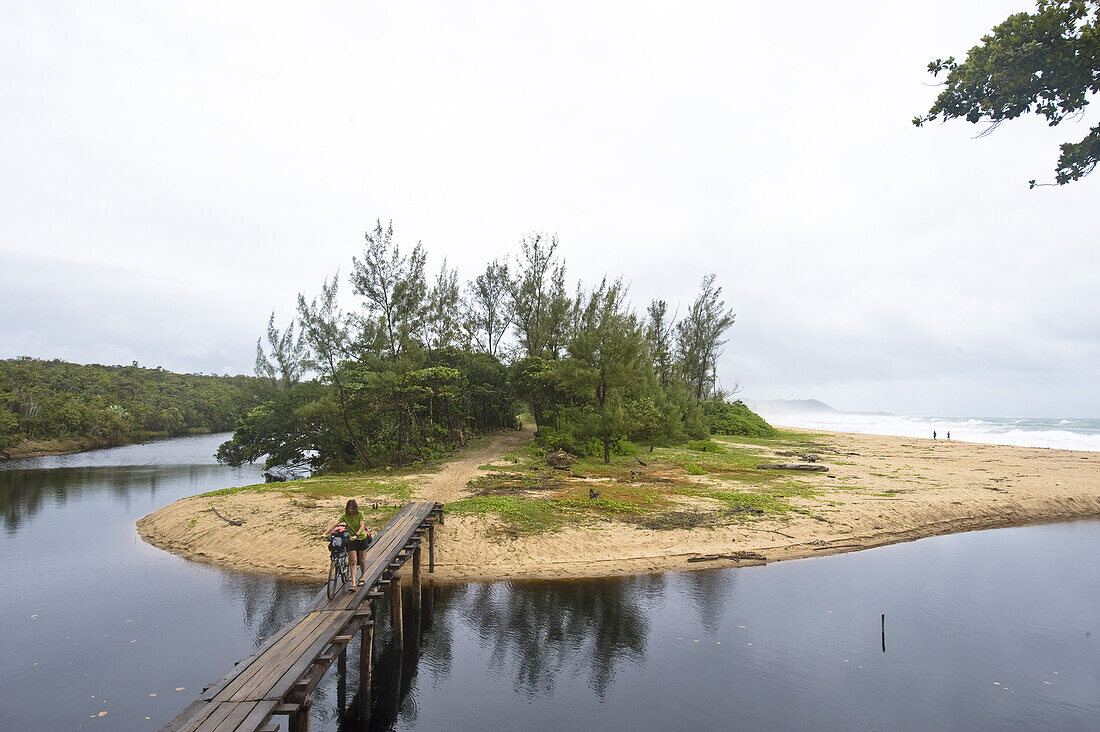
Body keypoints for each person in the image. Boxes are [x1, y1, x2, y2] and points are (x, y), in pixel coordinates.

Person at [324, 499, 372, 590]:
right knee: (353, 561)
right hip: (351, 540)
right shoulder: (345, 516)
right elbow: (335, 524)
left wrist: (356, 535)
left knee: (361, 559)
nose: (350, 511)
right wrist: (325, 533)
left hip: (361, 538)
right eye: (349, 509)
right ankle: (353, 584)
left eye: (352, 509)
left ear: (355, 508)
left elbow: (362, 526)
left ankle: (362, 576)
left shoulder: (360, 514)